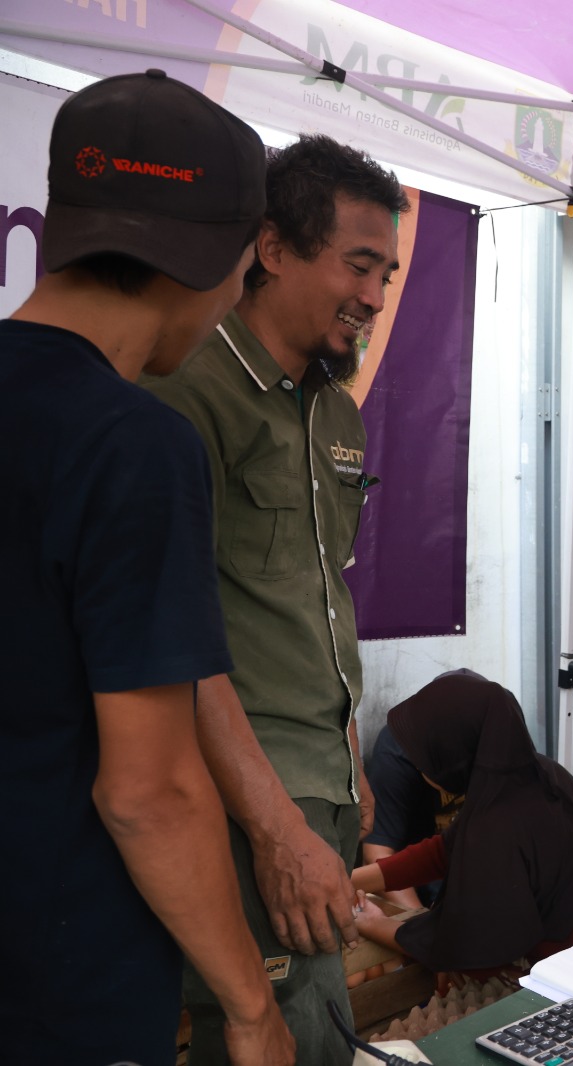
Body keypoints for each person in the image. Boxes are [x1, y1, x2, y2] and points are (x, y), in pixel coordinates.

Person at [1, 71, 293, 1063]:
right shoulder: (133, 443)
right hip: (57, 977)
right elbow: (148, 790)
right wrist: (251, 1006)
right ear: (205, 259)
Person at [145, 133, 408, 1064]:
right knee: (284, 1033)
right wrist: (271, 821)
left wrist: (347, 753)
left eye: (388, 274)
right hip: (240, 788)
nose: (375, 298)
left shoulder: (337, 412)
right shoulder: (187, 394)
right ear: (272, 246)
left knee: (298, 1027)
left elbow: (315, 591)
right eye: (359, 266)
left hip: (320, 786)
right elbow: (173, 642)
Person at [350, 672, 573, 973]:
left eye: (424, 750)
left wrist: (373, 923)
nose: (417, 761)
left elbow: (461, 944)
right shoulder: (532, 774)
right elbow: (445, 851)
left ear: (453, 753)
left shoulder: (496, 827)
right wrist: (351, 881)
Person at [362, 721, 451, 909]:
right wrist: (420, 923)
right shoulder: (402, 743)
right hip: (425, 897)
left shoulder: (499, 732)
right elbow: (376, 857)